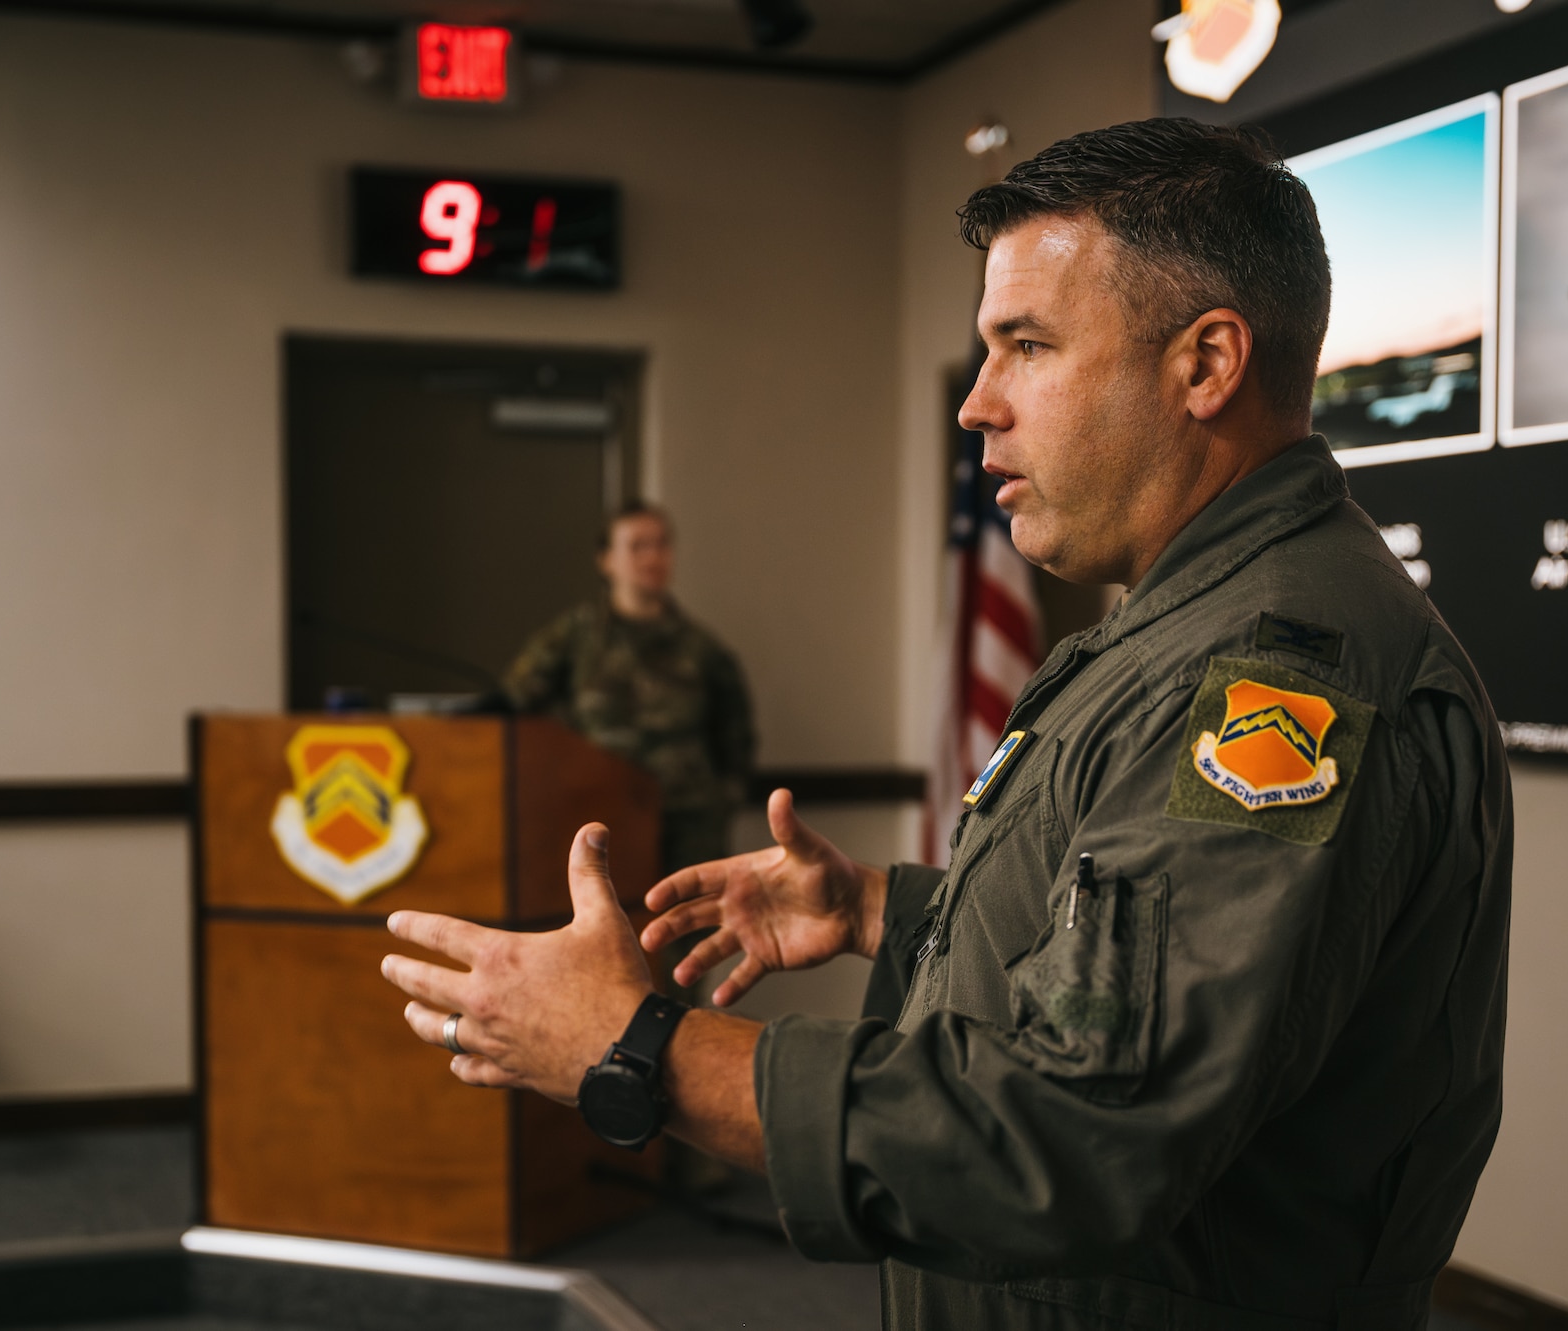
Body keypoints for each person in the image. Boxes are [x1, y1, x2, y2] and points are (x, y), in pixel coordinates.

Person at [380, 119, 1511, 1331]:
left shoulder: (1276, 680)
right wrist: (884, 911)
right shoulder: (1188, 625)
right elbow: (1137, 943)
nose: (976, 405)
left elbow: (1074, 1137)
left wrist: (635, 1045)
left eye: (1026, 345)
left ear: (1205, 364)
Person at [502, 501, 756, 874]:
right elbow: (517, 700)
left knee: (691, 925)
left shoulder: (702, 648)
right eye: (638, 546)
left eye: (662, 544)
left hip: (689, 824)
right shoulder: (575, 637)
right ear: (606, 560)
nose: (653, 556)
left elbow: (735, 734)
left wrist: (726, 798)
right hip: (600, 814)